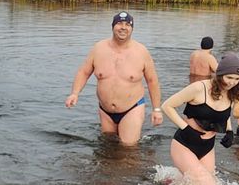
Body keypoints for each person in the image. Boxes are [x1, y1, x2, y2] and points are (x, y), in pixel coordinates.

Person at [65, 11, 164, 144]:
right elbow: (84, 72)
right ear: (112, 26)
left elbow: (152, 81)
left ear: (132, 29)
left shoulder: (141, 52)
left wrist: (156, 109)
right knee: (108, 146)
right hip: (105, 110)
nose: (123, 27)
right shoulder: (99, 48)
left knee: (128, 149)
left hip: (132, 108)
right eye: (119, 23)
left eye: (127, 24)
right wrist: (74, 93)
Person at [161, 53, 239, 185]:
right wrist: (186, 129)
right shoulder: (199, 88)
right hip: (186, 143)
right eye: (229, 77)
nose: (232, 82)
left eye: (237, 78)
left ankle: (170, 184)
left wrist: (229, 131)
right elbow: (167, 106)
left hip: (207, 147)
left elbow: (224, 113)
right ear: (219, 74)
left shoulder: (232, 92)